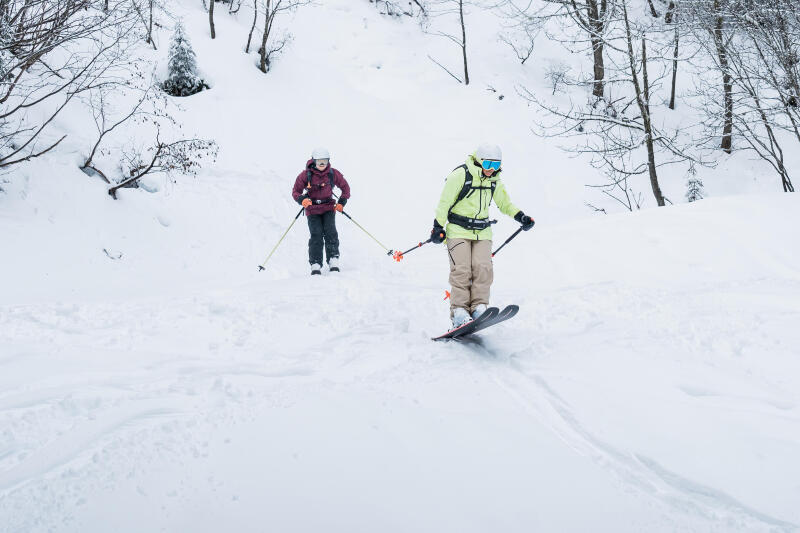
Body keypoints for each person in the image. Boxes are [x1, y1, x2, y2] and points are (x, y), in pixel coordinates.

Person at [431, 143, 535, 328]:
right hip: (458, 229)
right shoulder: (459, 176)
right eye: (488, 165)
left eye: (495, 166)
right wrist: (437, 227)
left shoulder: (494, 181)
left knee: (483, 268)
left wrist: (521, 217)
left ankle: (479, 306)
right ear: (479, 161)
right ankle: (459, 311)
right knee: (461, 270)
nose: (491, 170)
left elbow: (505, 204)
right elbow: (444, 203)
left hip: (482, 231)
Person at [292, 147, 351, 275]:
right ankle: (316, 264)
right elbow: (295, 191)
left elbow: (345, 188)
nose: (322, 164)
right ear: (314, 161)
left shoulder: (333, 173)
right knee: (316, 235)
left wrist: (341, 202)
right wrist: (302, 199)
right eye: (319, 162)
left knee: (331, 232)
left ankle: (333, 260)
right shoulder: (305, 175)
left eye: (324, 161)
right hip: (312, 209)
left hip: (328, 207)